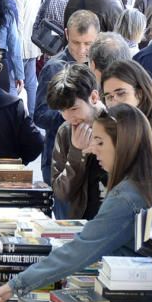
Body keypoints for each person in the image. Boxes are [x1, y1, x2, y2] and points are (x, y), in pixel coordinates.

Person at [0, 103, 152, 302]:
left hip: (140, 298)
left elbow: (79, 251)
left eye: (100, 142)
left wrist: (15, 285)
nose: (92, 149)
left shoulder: (127, 196)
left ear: (123, 145)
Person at [34, 9, 100, 186]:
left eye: (88, 43)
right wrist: (72, 115)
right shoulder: (54, 68)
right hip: (59, 157)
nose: (82, 50)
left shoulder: (100, 66)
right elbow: (40, 115)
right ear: (66, 34)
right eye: (75, 42)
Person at [101, 59, 152, 171]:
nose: (114, 103)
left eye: (121, 94)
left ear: (140, 93)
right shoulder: (110, 130)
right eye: (109, 97)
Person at [49, 63, 106, 219]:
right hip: (79, 221)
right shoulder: (66, 131)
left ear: (94, 97)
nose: (69, 117)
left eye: (74, 109)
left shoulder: (115, 125)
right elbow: (61, 192)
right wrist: (76, 152)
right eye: (62, 111)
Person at [11, 0, 41, 109]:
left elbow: (18, 23)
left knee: (16, 84)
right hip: (33, 46)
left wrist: (16, 49)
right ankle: (32, 116)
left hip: (21, 47)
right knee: (31, 83)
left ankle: (17, 119)